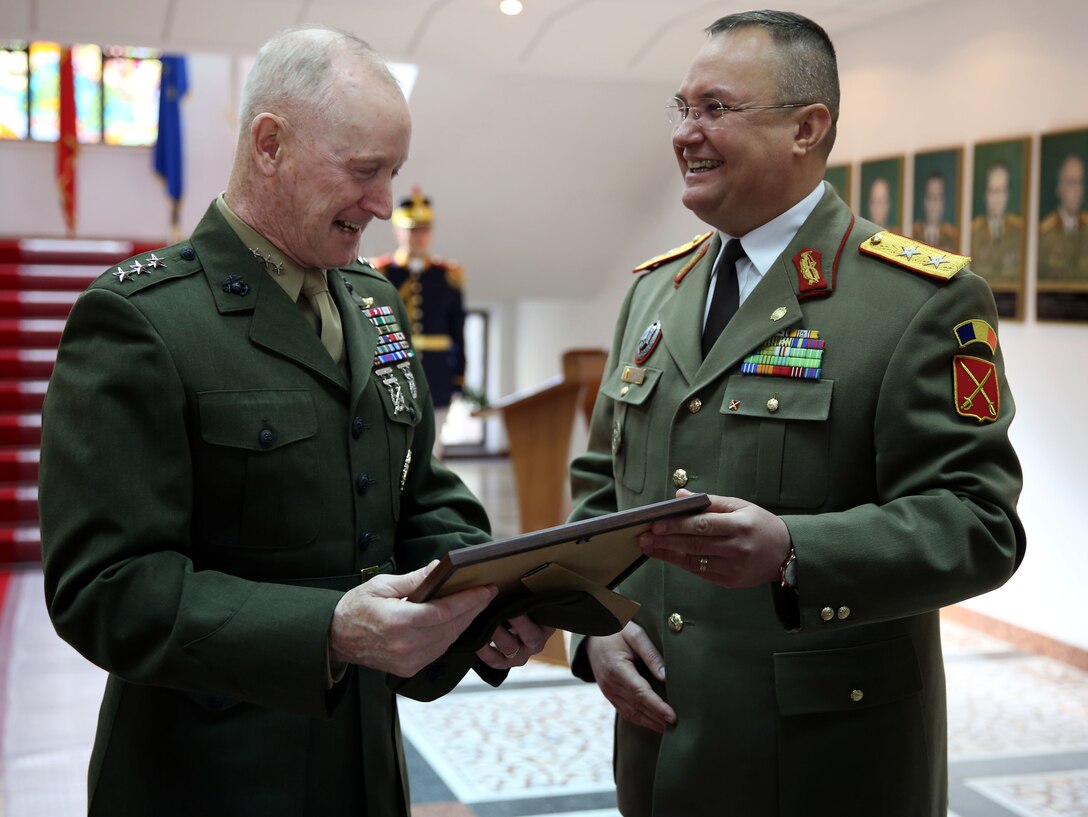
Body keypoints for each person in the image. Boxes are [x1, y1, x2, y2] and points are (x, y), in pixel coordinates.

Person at [37, 26, 551, 817]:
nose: (383, 203)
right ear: (269, 144)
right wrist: (329, 629)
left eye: (394, 173)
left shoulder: (374, 305)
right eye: (363, 171)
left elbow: (423, 490)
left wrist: (476, 593)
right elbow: (104, 587)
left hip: (364, 770)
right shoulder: (143, 321)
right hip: (211, 779)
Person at [568, 10, 1024, 817]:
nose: (686, 133)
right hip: (661, 745)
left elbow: (980, 524)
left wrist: (794, 550)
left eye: (715, 108)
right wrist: (591, 626)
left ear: (806, 129)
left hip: (826, 757)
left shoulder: (917, 299)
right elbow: (600, 486)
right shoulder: (654, 289)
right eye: (681, 108)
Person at [373, 189, 466, 457]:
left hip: (437, 376)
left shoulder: (448, 277)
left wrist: (458, 378)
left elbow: (458, 332)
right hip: (394, 373)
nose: (419, 235)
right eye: (412, 229)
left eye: (424, 229)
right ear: (397, 231)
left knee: (433, 452)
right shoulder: (383, 273)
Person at [970, 160, 1025, 283]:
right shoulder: (973, 233)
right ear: (985, 194)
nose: (996, 198)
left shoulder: (1020, 232)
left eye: (1001, 190)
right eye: (992, 190)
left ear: (1007, 195)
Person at [1038, 152, 1088, 280]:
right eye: (1071, 182)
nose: (1076, 189)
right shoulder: (1044, 233)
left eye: (1080, 182)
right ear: (1059, 188)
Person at [912, 169, 960, 251]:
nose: (934, 203)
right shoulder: (911, 234)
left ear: (943, 201)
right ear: (924, 201)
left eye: (938, 197)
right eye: (930, 196)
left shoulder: (954, 237)